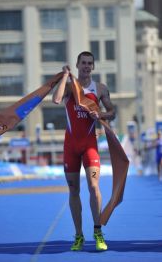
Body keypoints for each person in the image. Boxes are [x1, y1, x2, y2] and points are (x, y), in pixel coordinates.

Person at [52, 51, 115, 251]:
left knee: (94, 187)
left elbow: (112, 112)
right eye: (83, 63)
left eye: (90, 63)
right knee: (73, 190)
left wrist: (102, 114)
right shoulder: (71, 87)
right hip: (70, 146)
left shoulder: (100, 89)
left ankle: (98, 232)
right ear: (78, 65)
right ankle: (79, 236)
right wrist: (64, 76)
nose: (87, 66)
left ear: (93, 67)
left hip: (89, 146)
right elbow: (56, 99)